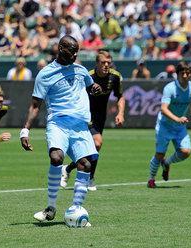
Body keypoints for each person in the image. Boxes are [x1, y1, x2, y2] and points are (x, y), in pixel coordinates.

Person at [20, 35, 102, 224]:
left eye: (76, 51)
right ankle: (50, 207)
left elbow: (92, 86)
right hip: (58, 122)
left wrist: (95, 88)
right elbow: (35, 105)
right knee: (56, 157)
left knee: (86, 165)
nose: (74, 55)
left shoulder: (81, 70)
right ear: (60, 48)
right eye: (71, 51)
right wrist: (25, 130)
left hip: (80, 125)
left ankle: (76, 208)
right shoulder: (45, 74)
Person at [60, 50, 125, 191]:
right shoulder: (87, 76)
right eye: (103, 62)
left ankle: (69, 168)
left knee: (92, 148)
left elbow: (120, 96)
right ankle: (90, 178)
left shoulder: (115, 77)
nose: (106, 65)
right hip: (84, 115)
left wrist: (120, 113)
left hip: (101, 117)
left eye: (109, 62)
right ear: (97, 63)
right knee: (97, 143)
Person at [147, 62, 191, 188]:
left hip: (179, 126)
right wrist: (177, 119)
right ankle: (151, 179)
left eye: (187, 73)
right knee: (159, 153)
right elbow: (163, 109)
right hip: (164, 125)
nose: (184, 75)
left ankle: (166, 163)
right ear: (177, 74)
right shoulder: (170, 88)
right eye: (182, 73)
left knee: (186, 152)